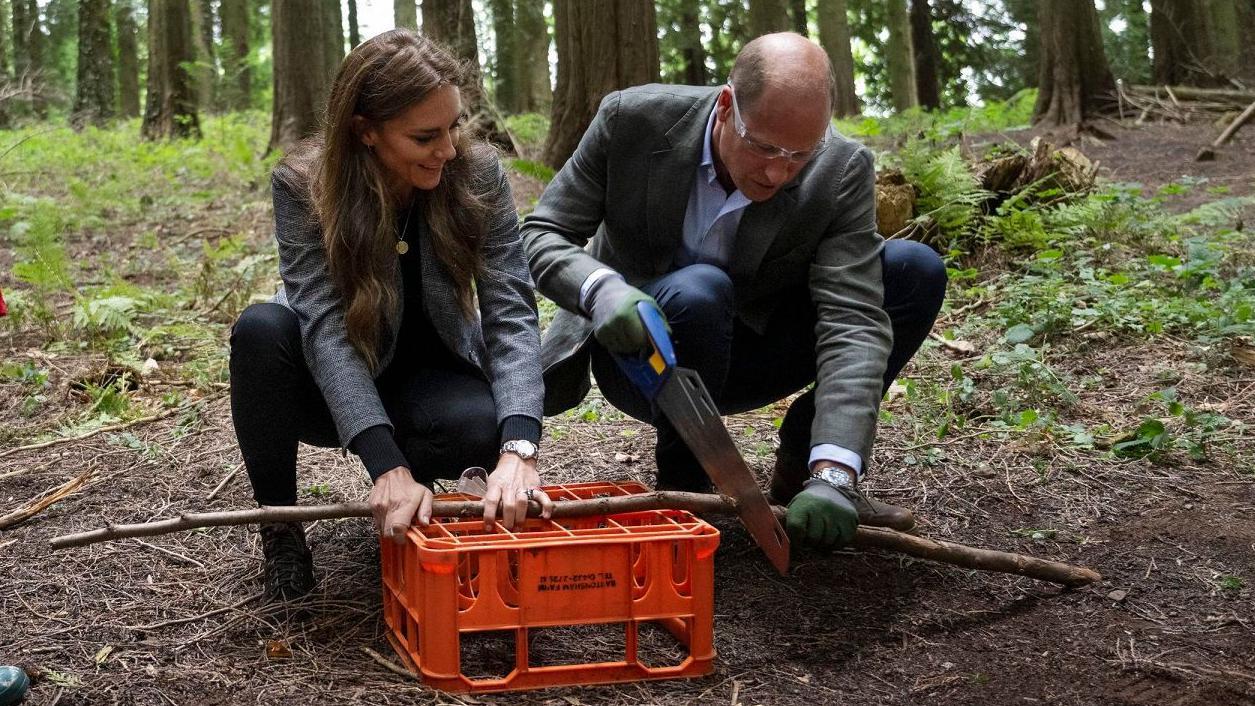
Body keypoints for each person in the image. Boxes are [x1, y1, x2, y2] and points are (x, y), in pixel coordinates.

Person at [522, 33, 946, 550]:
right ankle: (685, 490)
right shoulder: (632, 120)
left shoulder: (840, 169)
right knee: (699, 291)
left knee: (912, 269)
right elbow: (543, 234)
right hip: (640, 354)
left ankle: (806, 462)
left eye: (799, 154)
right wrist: (600, 288)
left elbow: (852, 317)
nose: (777, 171)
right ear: (726, 105)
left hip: (754, 351)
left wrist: (837, 468)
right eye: (764, 147)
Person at [229, 30, 552, 602]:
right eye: (425, 136)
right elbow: (324, 328)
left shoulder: (478, 176)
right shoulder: (305, 187)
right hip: (333, 380)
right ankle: (280, 527)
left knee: (483, 428)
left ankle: (427, 493)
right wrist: (383, 463)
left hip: (434, 374)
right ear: (366, 132)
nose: (448, 150)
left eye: (453, 127)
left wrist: (518, 448)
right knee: (260, 331)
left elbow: (511, 312)